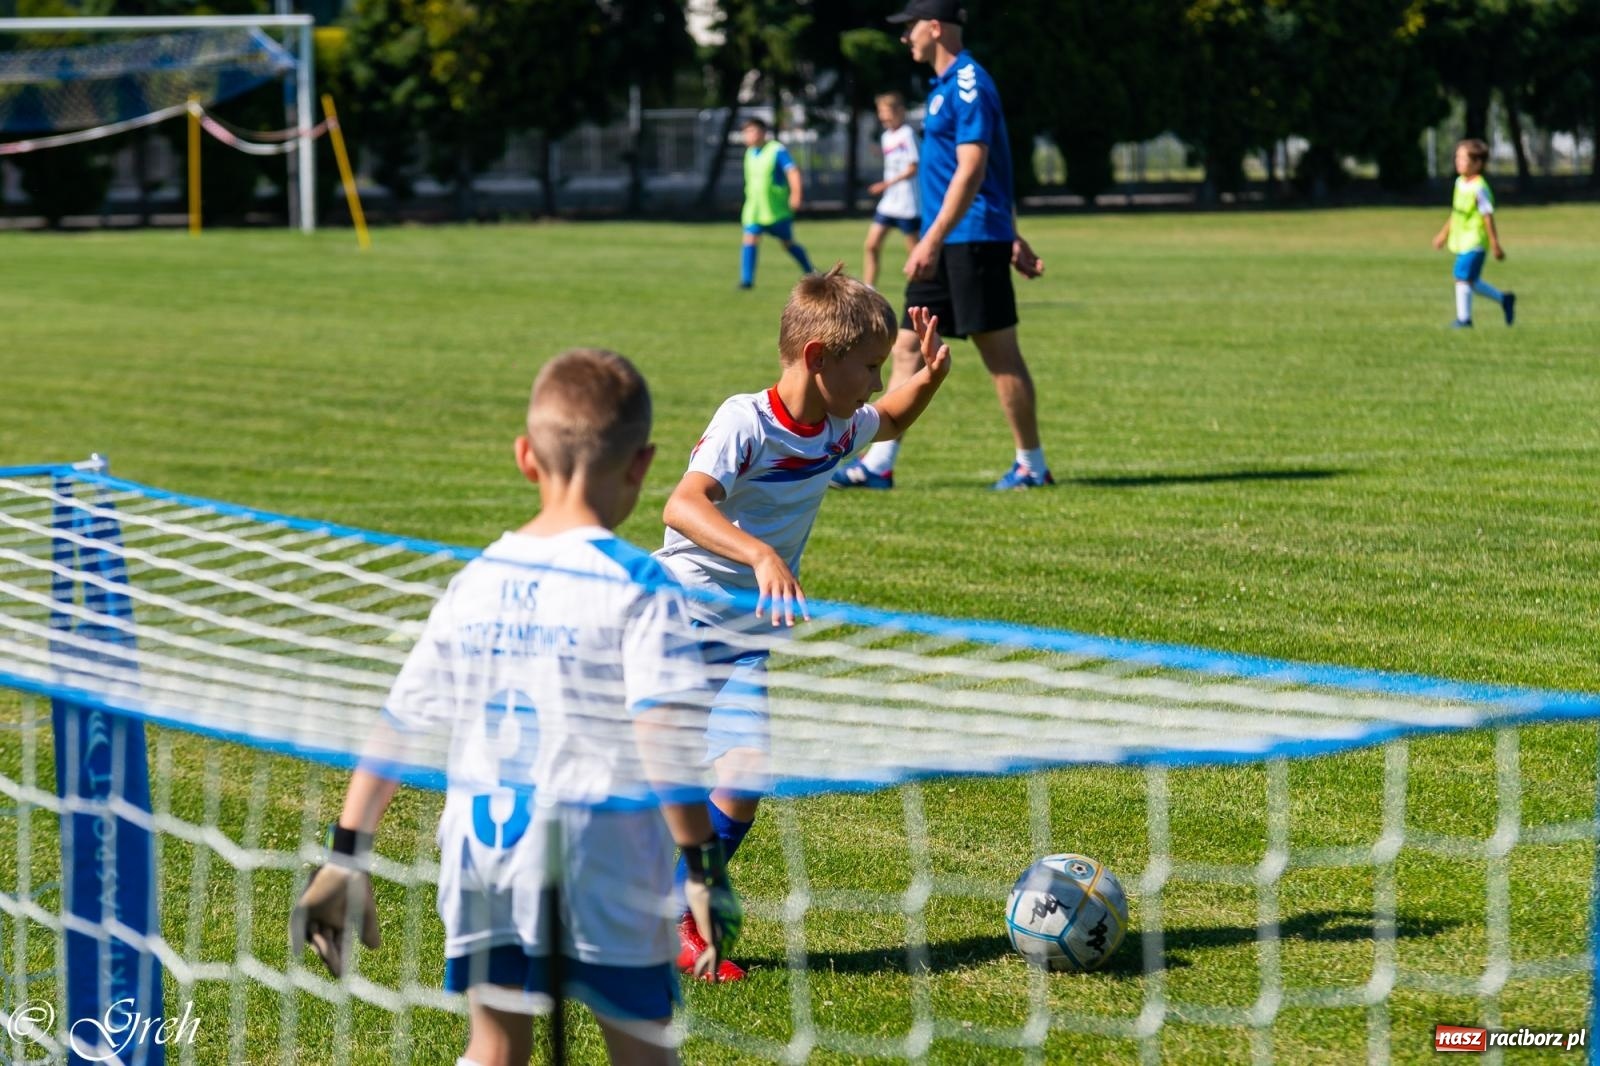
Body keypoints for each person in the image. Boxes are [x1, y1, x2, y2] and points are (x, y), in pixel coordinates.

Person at [291, 349, 743, 1066]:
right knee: (643, 1052)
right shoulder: (639, 586)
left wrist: (347, 853)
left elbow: (399, 723)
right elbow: (664, 737)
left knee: (496, 1049)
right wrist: (700, 865)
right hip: (608, 860)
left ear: (526, 458)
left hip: (484, 854)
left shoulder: (478, 579)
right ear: (642, 462)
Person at [654, 267, 952, 980]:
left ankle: (674, 917)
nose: (876, 383)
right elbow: (682, 505)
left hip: (744, 637)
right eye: (869, 368)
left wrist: (928, 378)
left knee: (743, 778)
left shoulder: (835, 427)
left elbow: (895, 418)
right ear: (819, 358)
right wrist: (759, 555)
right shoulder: (745, 422)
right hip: (676, 622)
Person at [832, 0, 1050, 492]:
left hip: (969, 242)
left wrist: (939, 237)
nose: (905, 36)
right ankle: (879, 464)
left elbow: (974, 167)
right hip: (951, 240)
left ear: (935, 27)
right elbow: (977, 175)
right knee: (907, 344)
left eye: (910, 27)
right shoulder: (942, 88)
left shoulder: (970, 82)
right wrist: (1011, 233)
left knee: (1000, 356)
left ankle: (1032, 465)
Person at [1432, 138, 1515, 329]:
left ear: (1477, 163)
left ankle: (1464, 320)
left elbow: (1487, 216)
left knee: (1461, 276)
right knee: (1471, 281)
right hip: (1462, 239)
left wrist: (1495, 243)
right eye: (1457, 158)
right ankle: (1504, 299)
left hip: (1475, 240)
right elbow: (1456, 212)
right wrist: (1443, 234)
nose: (1458, 162)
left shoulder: (1479, 188)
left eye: (1463, 159)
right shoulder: (1460, 183)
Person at [739, 116, 816, 289]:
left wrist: (796, 194)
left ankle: (810, 271)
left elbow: (792, 171)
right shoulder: (750, 153)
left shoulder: (776, 150)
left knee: (787, 243)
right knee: (749, 239)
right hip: (754, 209)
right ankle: (746, 281)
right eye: (746, 132)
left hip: (775, 210)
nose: (748, 135)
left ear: (763, 132)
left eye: (752, 131)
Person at [863, 91, 922, 291]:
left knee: (915, 254)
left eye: (887, 111)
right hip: (889, 203)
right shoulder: (886, 136)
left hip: (908, 204)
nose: (883, 116)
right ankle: (869, 290)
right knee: (871, 245)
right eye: (880, 112)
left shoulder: (907, 134)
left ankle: (921, 288)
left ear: (900, 111)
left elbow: (913, 168)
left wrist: (885, 184)